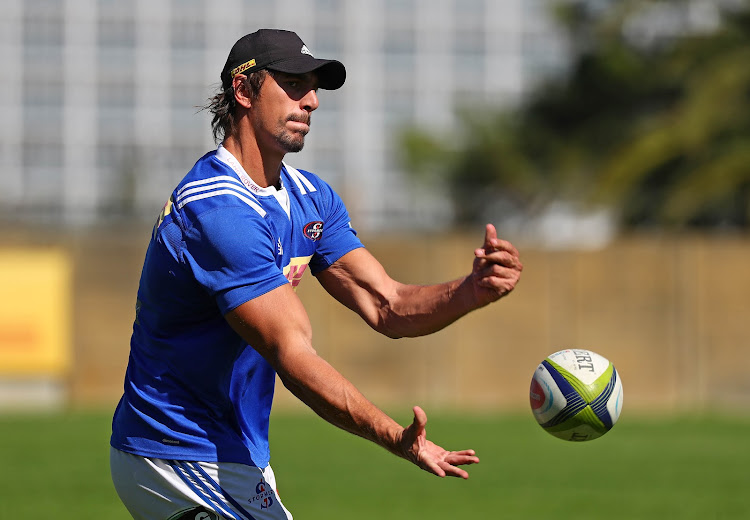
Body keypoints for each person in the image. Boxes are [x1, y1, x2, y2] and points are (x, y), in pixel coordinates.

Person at [110, 29, 523, 520]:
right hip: (175, 452)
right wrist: (393, 436)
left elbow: (387, 303)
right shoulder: (218, 210)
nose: (311, 101)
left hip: (233, 453)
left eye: (314, 87)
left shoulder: (311, 197)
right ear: (243, 92)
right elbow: (292, 353)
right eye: (291, 83)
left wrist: (470, 291)